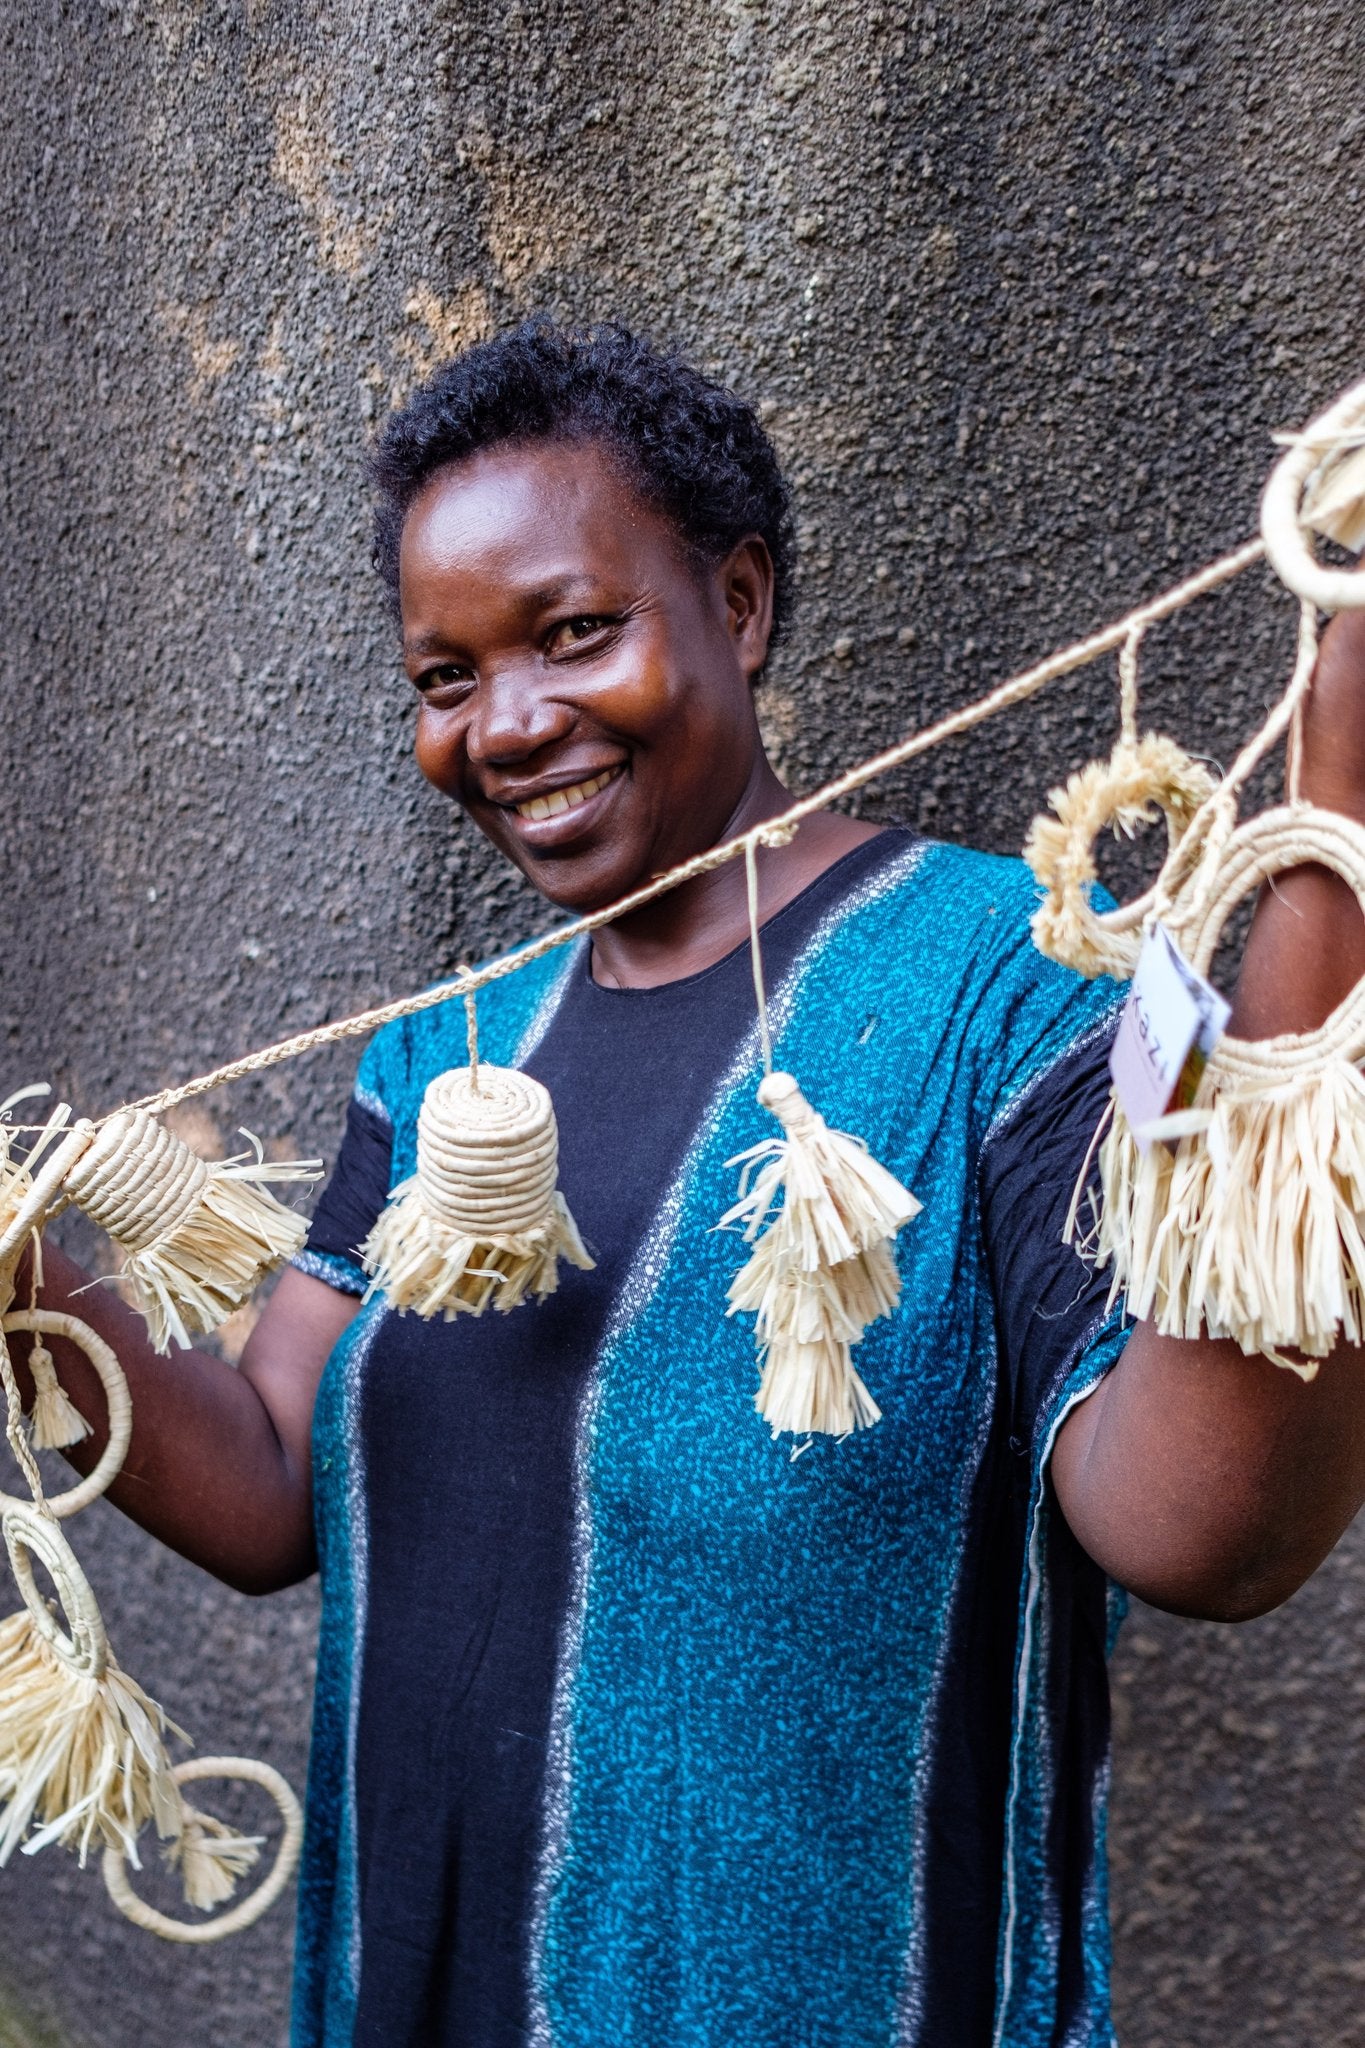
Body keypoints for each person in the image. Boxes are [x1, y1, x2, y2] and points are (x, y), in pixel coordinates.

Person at [12, 321, 1365, 2048]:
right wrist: (25, 1281)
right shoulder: (447, 1061)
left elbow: (1204, 1532)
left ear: (737, 602)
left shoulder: (1007, 994)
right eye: (445, 678)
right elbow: (276, 1485)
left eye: (574, 632)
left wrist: (1338, 824)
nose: (506, 723)